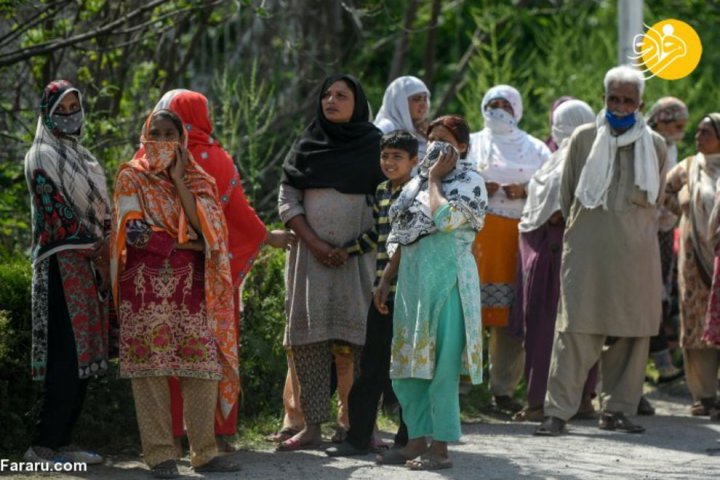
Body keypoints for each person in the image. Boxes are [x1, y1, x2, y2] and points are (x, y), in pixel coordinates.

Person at [143, 89, 294, 452]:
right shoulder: (218, 159)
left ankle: (169, 438)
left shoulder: (144, 156)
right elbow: (238, 216)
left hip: (159, 272)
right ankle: (215, 435)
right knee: (211, 350)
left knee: (167, 350)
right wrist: (266, 237)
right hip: (209, 273)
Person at [535, 65, 667, 436]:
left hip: (636, 252)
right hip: (588, 251)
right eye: (614, 98)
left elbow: (655, 199)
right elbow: (568, 192)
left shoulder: (655, 144)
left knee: (632, 332)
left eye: (628, 100)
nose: (621, 106)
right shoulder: (583, 137)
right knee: (575, 328)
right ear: (602, 99)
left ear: (641, 104)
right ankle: (557, 412)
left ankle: (618, 410)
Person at [112, 109, 240, 477]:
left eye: (171, 133)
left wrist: (179, 180)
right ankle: (160, 454)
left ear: (183, 141)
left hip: (191, 288)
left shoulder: (200, 180)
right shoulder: (130, 177)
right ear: (144, 136)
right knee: (150, 369)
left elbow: (211, 231)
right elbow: (133, 234)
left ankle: (204, 452)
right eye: (156, 132)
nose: (163, 141)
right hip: (143, 287)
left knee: (201, 367)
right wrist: (188, 244)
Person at [277, 74, 383, 451]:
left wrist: (351, 248)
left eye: (341, 95)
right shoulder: (306, 145)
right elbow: (287, 197)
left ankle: (359, 426)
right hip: (311, 260)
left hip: (359, 262)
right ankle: (311, 427)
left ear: (358, 103)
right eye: (326, 95)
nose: (331, 100)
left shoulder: (375, 147)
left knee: (357, 345)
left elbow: (387, 200)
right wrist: (316, 243)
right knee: (309, 344)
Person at [375, 115, 487, 470]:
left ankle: (440, 449)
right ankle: (415, 441)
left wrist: (436, 180)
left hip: (448, 283)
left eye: (446, 141)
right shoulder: (413, 186)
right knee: (408, 366)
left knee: (441, 368)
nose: (436, 148)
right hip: (412, 284)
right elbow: (402, 234)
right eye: (432, 140)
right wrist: (385, 279)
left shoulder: (471, 181)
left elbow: (445, 220)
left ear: (463, 147)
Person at [23, 79, 109, 465]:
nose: (71, 117)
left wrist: (107, 241)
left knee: (86, 355)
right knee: (65, 354)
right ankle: (42, 446)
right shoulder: (40, 155)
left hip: (91, 264)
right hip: (62, 263)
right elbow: (56, 215)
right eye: (63, 110)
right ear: (47, 113)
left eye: (76, 108)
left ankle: (64, 442)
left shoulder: (84, 157)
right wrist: (95, 243)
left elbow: (103, 211)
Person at [324, 130, 418, 458]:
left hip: (409, 293)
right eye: (385, 156)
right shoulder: (381, 192)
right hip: (380, 294)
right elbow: (378, 236)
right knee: (371, 366)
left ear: (414, 161)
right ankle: (358, 437)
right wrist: (346, 251)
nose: (390, 162)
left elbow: (409, 242)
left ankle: (408, 440)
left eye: (398, 157)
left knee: (407, 367)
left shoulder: (418, 192)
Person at [512, 99, 598, 423]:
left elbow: (560, 211)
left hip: (556, 254)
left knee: (547, 327)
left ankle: (541, 403)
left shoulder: (571, 163)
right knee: (578, 326)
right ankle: (581, 399)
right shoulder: (564, 160)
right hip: (568, 254)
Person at [469, 84, 550, 413]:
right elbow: (450, 176)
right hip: (476, 238)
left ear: (517, 108)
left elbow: (551, 183)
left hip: (519, 239)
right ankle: (465, 385)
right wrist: (477, 184)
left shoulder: (536, 148)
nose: (498, 110)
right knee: (468, 311)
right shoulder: (471, 143)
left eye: (505, 104)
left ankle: (503, 389)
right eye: (492, 103)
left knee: (509, 317)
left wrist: (527, 189)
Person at [665, 113, 720, 418]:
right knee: (696, 323)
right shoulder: (688, 166)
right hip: (693, 259)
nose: (698, 137)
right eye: (697, 132)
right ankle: (704, 395)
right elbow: (664, 193)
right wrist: (684, 210)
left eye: (706, 132)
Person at [637, 97, 688, 415]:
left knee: (659, 299)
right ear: (659, 120)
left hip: (665, 229)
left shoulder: (671, 149)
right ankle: (650, 368)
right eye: (675, 122)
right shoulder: (648, 145)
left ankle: (660, 364)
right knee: (643, 298)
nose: (680, 130)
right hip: (644, 230)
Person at [374, 76, 431, 158]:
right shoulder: (385, 130)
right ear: (400, 102)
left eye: (425, 99)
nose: (424, 105)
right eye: (416, 99)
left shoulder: (423, 133)